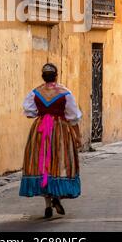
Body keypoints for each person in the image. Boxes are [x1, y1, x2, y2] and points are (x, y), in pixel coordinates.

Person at [19, 63, 82, 218]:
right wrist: (77, 136)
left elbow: (29, 113)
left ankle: (48, 204)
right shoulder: (65, 93)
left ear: (43, 76)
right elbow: (73, 117)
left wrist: (43, 112)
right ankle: (56, 197)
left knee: (43, 164)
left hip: (40, 130)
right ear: (56, 75)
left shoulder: (35, 93)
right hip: (60, 130)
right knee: (58, 162)